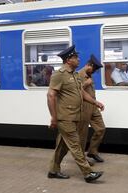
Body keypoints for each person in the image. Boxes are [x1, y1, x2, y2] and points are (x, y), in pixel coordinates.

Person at [47, 45, 104, 183]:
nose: (78, 60)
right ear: (68, 60)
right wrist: (54, 117)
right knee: (75, 145)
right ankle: (88, 173)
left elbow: (81, 93)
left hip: (74, 116)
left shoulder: (74, 75)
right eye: (75, 58)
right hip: (65, 117)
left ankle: (53, 171)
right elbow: (51, 96)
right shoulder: (59, 75)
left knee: (62, 146)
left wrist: (95, 102)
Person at [78, 54, 106, 163]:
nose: (94, 72)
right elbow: (75, 91)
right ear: (89, 65)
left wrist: (96, 103)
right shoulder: (79, 75)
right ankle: (81, 158)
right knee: (82, 134)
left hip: (93, 105)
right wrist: (85, 84)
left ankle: (92, 152)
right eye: (94, 70)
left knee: (101, 128)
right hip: (84, 106)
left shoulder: (89, 74)